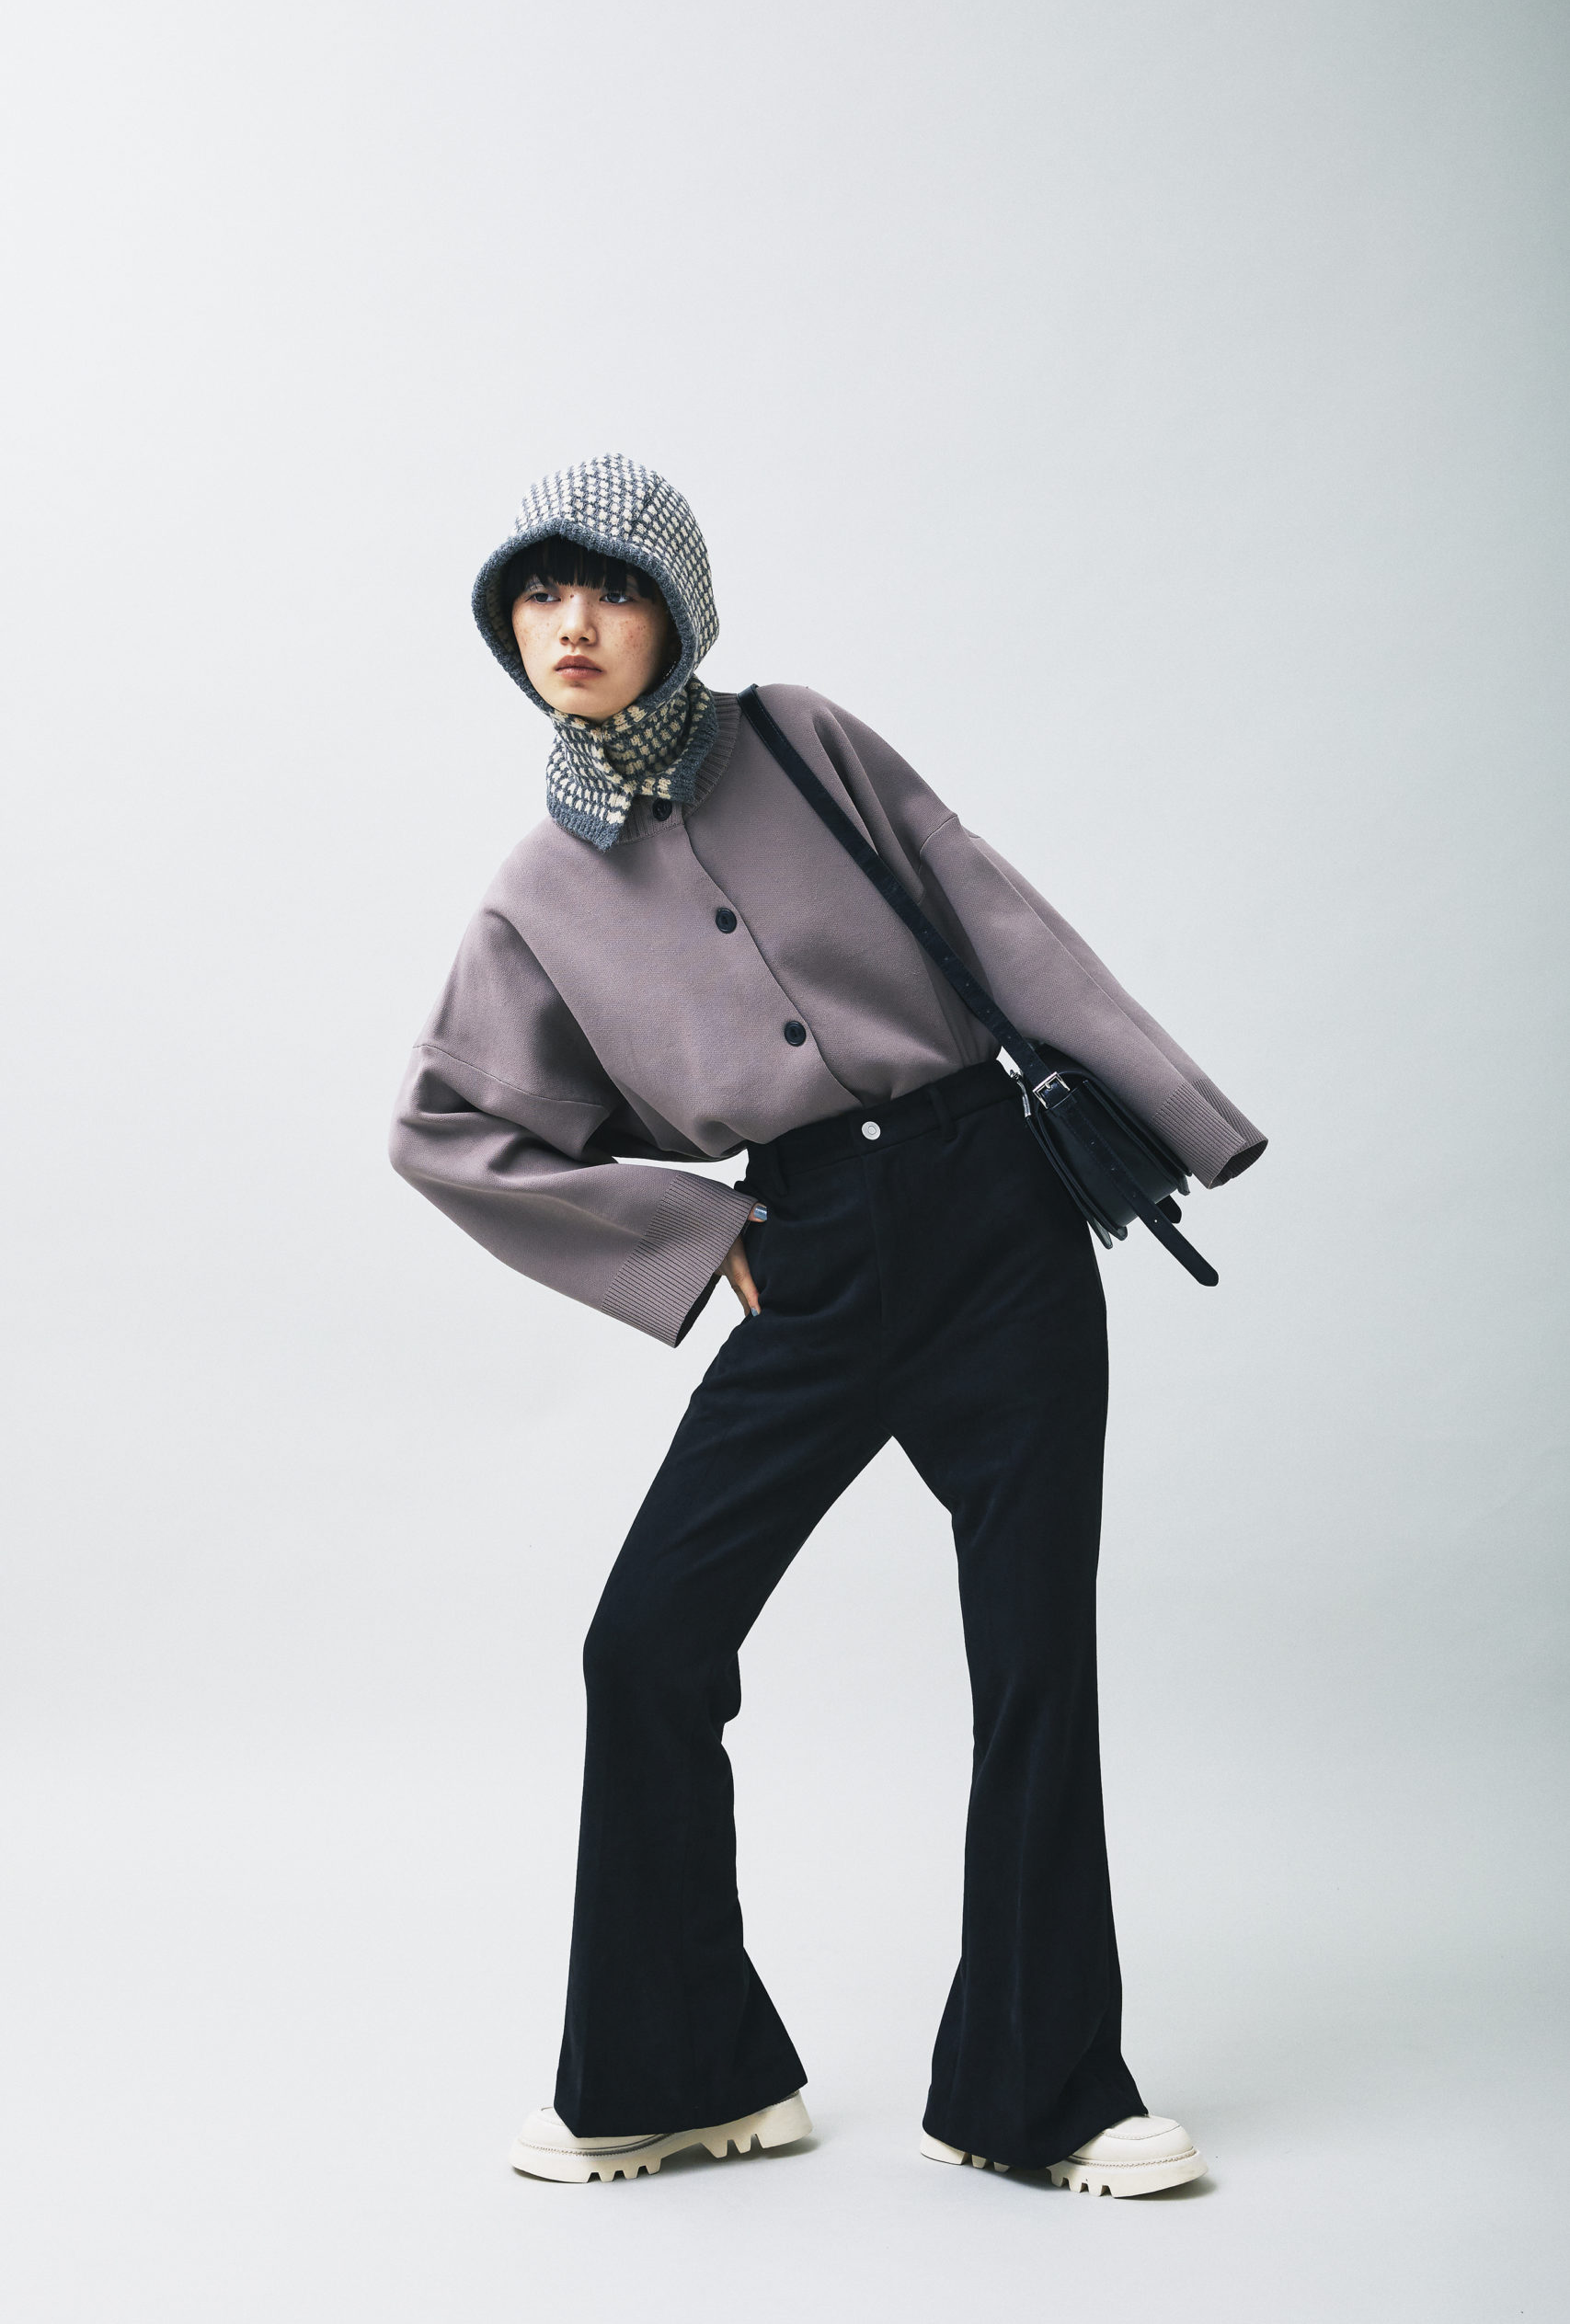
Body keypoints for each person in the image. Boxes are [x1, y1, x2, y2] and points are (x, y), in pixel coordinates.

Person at [390, 453, 1266, 2194]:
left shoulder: (803, 740)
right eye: (541, 594)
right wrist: (694, 1232)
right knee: (648, 1648)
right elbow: (448, 1129)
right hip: (809, 1255)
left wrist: (1176, 1112)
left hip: (998, 1219)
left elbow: (992, 913)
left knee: (1034, 1661)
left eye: (612, 588)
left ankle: (1043, 2093)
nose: (574, 623)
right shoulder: (534, 895)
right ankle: (681, 2075)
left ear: (678, 610)